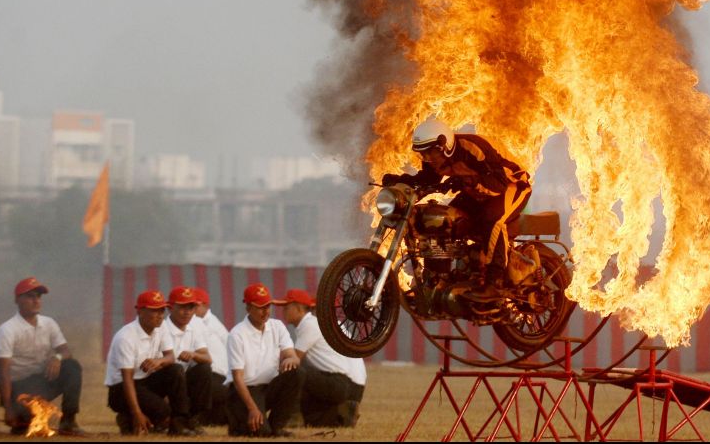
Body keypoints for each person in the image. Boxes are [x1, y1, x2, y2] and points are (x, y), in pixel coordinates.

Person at [382, 116, 533, 300]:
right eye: (422, 154)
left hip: (512, 185)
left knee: (491, 219)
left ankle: (495, 282)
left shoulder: (472, 148)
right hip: (475, 190)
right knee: (444, 221)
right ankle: (438, 280)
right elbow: (427, 180)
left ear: (443, 146)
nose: (427, 158)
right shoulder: (431, 159)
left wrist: (469, 179)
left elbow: (499, 184)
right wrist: (399, 181)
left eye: (430, 152)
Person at [0, 278, 85, 436]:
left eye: (38, 296)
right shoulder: (7, 330)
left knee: (72, 366)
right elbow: (4, 373)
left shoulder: (49, 324)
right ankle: (21, 419)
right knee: (23, 427)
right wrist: (8, 410)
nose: (36, 300)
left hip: (42, 382)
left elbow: (65, 351)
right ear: (17, 300)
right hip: (17, 388)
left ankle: (69, 421)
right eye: (30, 296)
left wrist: (57, 357)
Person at [104, 290, 197, 436]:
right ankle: (129, 417)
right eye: (154, 310)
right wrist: (137, 412)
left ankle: (179, 425)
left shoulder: (161, 328)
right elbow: (127, 379)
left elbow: (171, 357)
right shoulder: (126, 337)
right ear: (140, 311)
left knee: (176, 370)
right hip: (121, 389)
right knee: (163, 410)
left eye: (162, 310)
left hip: (145, 382)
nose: (160, 315)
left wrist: (158, 361)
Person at [225, 282, 304, 437]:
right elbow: (238, 378)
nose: (266, 311)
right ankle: (238, 423)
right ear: (248, 308)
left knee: (298, 373)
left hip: (267, 387)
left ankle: (277, 426)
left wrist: (291, 360)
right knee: (262, 433)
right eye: (260, 307)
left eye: (268, 306)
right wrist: (252, 409)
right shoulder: (237, 334)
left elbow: (293, 356)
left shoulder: (277, 326)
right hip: (244, 390)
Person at [278, 288, 365, 427]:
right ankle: (342, 413)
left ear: (300, 308)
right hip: (353, 386)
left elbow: (294, 360)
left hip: (344, 383)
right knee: (311, 415)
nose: (283, 311)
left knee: (293, 371)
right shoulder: (334, 326)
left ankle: (292, 418)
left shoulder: (311, 324)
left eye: (286, 307)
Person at [162, 286, 211, 434]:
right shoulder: (161, 329)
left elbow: (207, 357)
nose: (187, 312)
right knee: (175, 371)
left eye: (191, 307)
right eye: (182, 307)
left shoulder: (193, 327)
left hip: (181, 382)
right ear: (170, 308)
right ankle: (171, 420)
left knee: (204, 369)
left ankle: (192, 419)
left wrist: (194, 355)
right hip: (163, 383)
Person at [193, 287, 229, 426]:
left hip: (216, 375)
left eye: (195, 305)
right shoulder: (213, 323)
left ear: (205, 306)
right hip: (219, 377)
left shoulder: (205, 324)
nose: (191, 309)